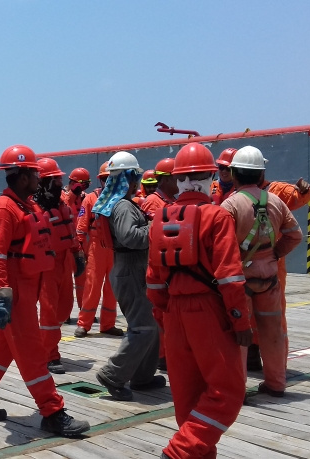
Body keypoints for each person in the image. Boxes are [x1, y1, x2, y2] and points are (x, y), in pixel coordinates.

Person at [0, 145, 89, 437]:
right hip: (14, 293)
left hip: (30, 286)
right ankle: (53, 411)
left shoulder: (28, 205)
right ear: (21, 177)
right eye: (34, 173)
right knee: (32, 352)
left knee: (2, 348)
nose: (38, 177)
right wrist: (3, 296)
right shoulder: (4, 209)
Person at [146, 142, 253, 459]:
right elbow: (230, 277)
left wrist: (165, 314)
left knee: (188, 400)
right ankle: (177, 454)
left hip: (174, 312)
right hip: (209, 311)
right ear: (211, 177)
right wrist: (241, 321)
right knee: (228, 392)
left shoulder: (159, 219)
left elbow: (153, 279)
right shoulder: (217, 217)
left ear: (177, 180)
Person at [221, 146, 303, 398]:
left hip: (240, 281)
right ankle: (277, 383)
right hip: (270, 278)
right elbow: (294, 235)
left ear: (234, 174)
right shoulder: (276, 201)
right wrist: (274, 254)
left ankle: (238, 389)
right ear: (260, 174)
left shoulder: (230, 205)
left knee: (239, 334)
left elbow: (221, 246)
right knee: (272, 332)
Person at [92, 151, 164, 401]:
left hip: (129, 270)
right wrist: (155, 226)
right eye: (136, 177)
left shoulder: (119, 203)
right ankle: (113, 374)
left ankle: (143, 377)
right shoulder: (123, 206)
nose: (138, 183)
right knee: (143, 327)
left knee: (151, 326)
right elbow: (130, 238)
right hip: (130, 271)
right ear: (129, 179)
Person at [34, 158, 85, 374]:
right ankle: (49, 355)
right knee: (49, 310)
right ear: (44, 182)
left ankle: (45, 345)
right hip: (46, 264)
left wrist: (77, 254)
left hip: (65, 261)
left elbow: (71, 230)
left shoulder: (61, 204)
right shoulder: (34, 207)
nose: (59, 182)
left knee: (64, 307)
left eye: (59, 179)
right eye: (55, 179)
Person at [74, 162, 121, 337]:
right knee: (92, 286)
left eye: (111, 178)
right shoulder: (91, 199)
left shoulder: (121, 198)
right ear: (100, 180)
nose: (108, 182)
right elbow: (81, 226)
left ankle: (108, 324)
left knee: (112, 288)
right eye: (105, 179)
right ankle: (84, 324)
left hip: (115, 249)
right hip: (96, 248)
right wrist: (79, 249)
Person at [140, 157, 178, 371]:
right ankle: (162, 356)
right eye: (178, 178)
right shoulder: (155, 202)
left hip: (167, 262)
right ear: (166, 179)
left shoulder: (169, 201)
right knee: (160, 312)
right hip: (158, 265)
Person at [62, 167, 91, 322]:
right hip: (66, 245)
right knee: (65, 281)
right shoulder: (62, 196)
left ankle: (84, 312)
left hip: (80, 244)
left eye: (86, 186)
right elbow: (64, 207)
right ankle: (64, 313)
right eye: (81, 185)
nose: (83, 189)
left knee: (83, 281)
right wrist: (73, 194)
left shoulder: (85, 198)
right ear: (72, 183)